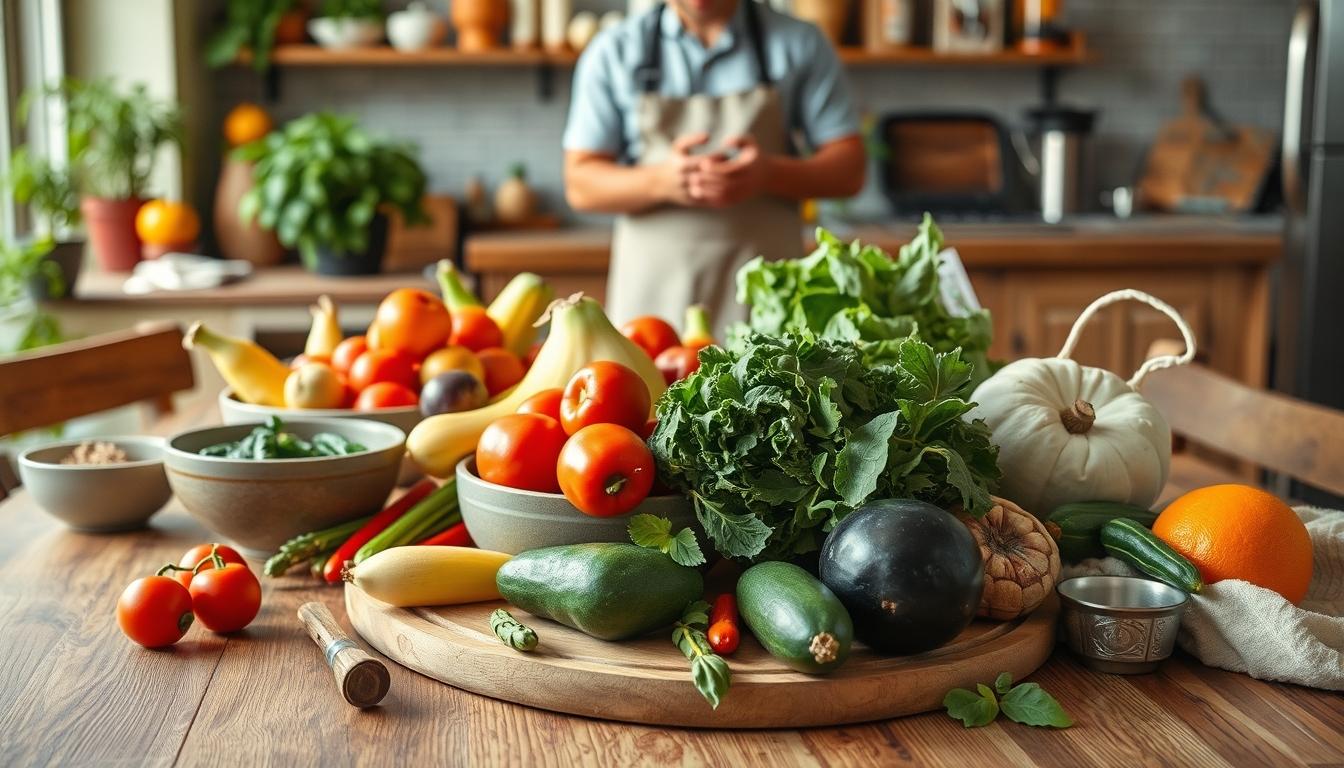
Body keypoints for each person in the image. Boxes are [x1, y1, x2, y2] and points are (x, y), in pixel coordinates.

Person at [562, 0, 866, 330]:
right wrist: (663, 181)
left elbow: (849, 170)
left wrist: (768, 174)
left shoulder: (800, 43)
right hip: (651, 312)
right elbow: (580, 185)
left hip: (769, 309)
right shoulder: (614, 50)